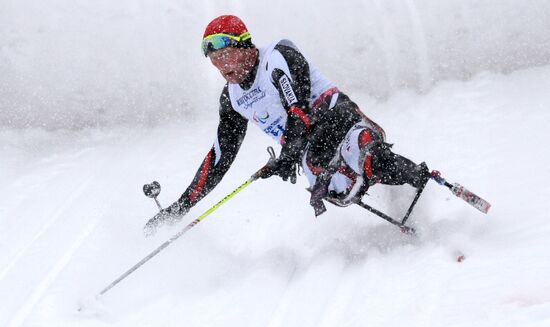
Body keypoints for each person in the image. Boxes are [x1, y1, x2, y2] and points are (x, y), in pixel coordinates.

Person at [145, 15, 430, 235]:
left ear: (245, 46)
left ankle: (412, 174)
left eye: (226, 55)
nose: (222, 66)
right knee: (337, 188)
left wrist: (290, 153)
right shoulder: (233, 98)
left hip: (336, 119)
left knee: (351, 152)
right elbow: (219, 157)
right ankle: (382, 183)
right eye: (215, 60)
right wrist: (180, 207)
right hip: (309, 150)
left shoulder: (277, 57)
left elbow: (299, 108)